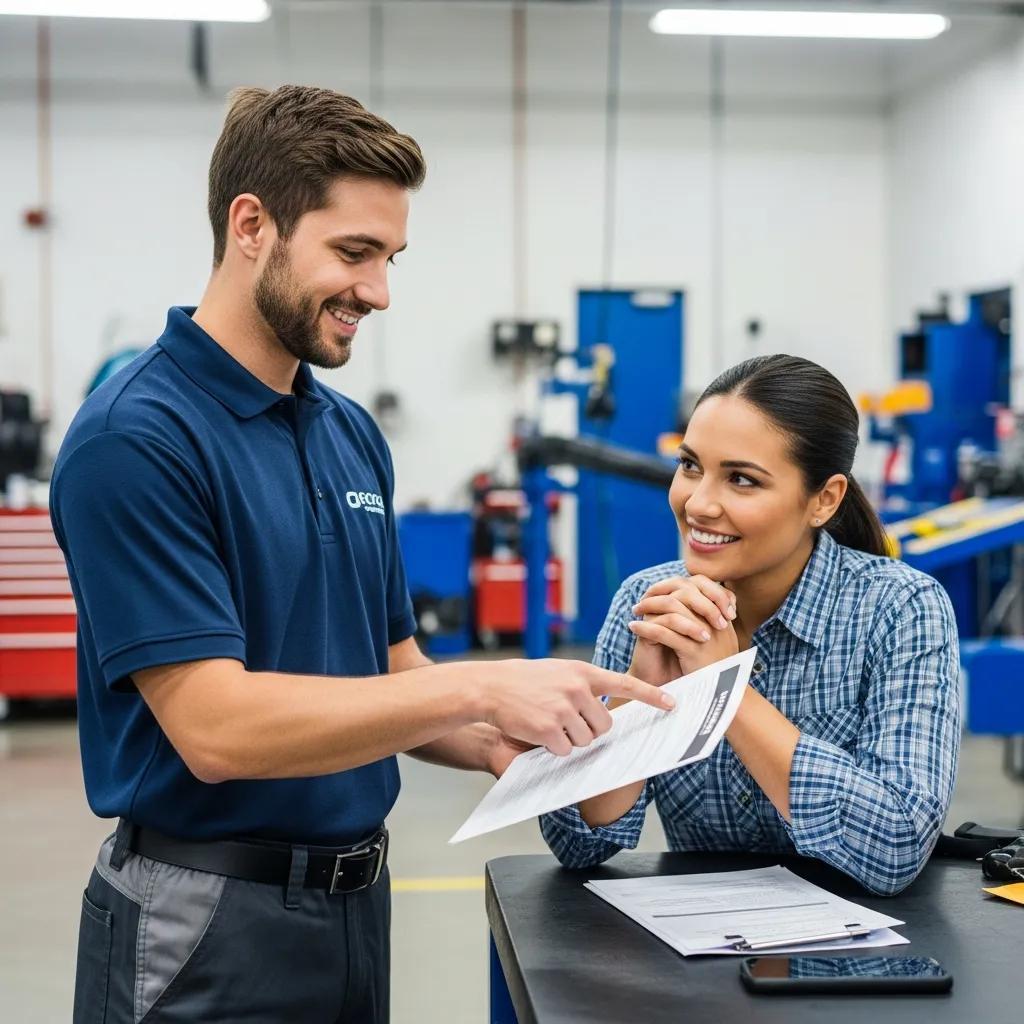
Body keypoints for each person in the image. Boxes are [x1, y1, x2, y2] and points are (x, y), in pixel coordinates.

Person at [53, 85, 674, 1024]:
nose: (378, 291)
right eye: (353, 252)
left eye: (389, 257)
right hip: (204, 921)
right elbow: (214, 729)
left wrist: (537, 738)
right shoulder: (138, 437)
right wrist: (480, 687)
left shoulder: (348, 433)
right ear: (251, 225)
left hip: (354, 905)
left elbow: (391, 673)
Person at [541, 354, 961, 896]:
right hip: (703, 955)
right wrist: (636, 700)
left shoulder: (900, 609)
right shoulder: (649, 605)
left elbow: (897, 845)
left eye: (741, 479)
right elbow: (578, 845)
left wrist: (725, 690)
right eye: (690, 465)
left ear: (824, 500)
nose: (699, 502)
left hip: (869, 961)